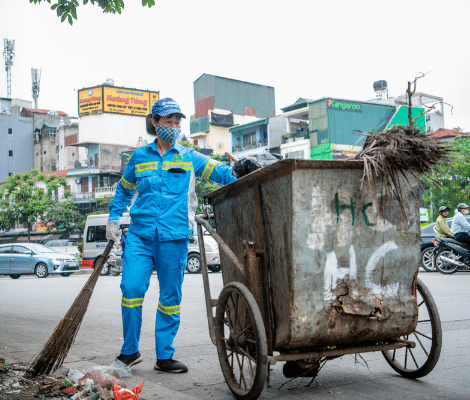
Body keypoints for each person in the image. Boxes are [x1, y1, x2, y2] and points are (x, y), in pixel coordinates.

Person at [106, 98, 237, 373]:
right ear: (155, 123)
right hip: (141, 236)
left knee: (169, 297)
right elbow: (124, 190)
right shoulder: (139, 157)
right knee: (131, 289)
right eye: (168, 121)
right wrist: (113, 218)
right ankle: (130, 351)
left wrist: (243, 170)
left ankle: (164, 356)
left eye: (178, 122)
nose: (174, 126)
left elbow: (221, 172)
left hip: (174, 236)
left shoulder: (188, 157)